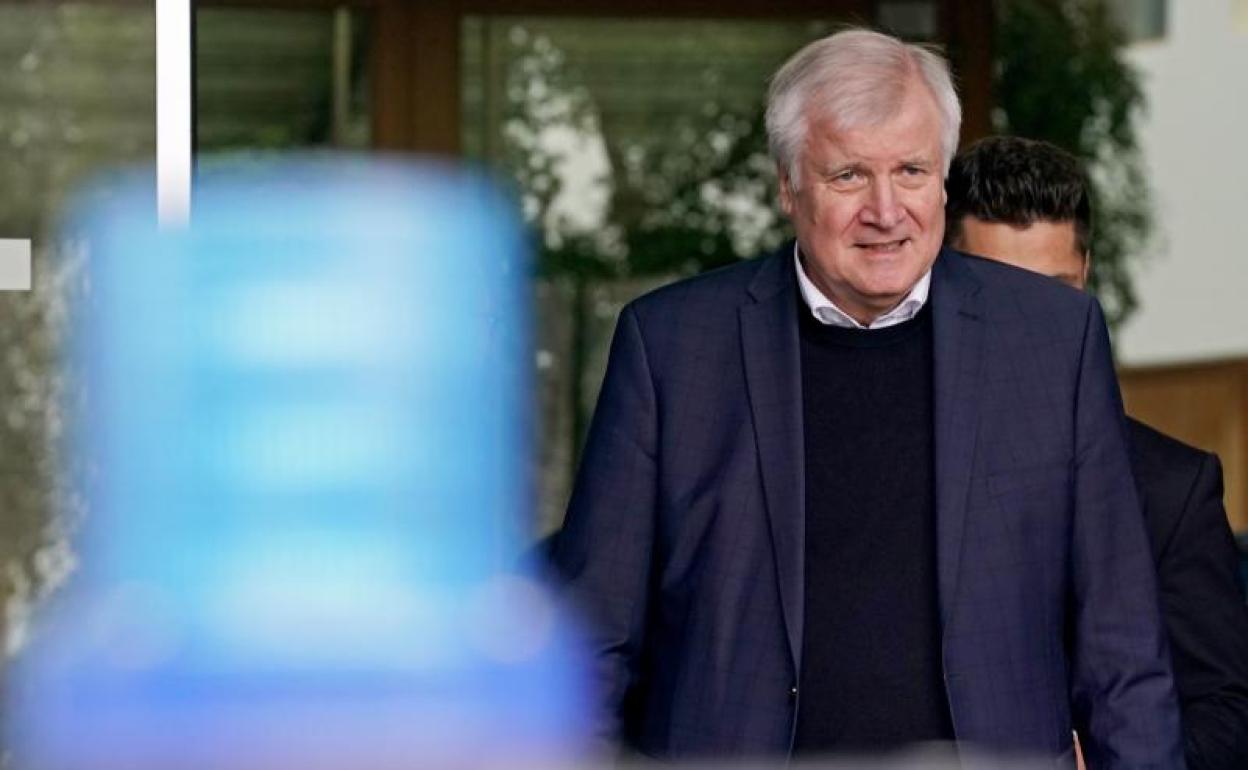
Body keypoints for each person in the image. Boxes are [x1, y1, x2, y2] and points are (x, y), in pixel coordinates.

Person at [553, 29, 1184, 766]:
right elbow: (590, 647)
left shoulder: (1052, 338)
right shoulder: (671, 348)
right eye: (849, 175)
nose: (886, 211)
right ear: (788, 185)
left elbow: (1121, 643)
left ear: (941, 179)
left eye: (911, 170)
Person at [946, 134, 1248, 770]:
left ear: (1084, 278)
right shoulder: (884, 458)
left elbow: (1225, 715)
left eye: (1054, 294)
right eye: (1001, 294)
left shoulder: (1170, 488)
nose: (1035, 328)